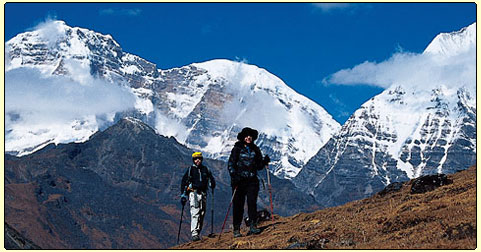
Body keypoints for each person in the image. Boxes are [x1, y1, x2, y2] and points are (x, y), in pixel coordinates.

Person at [228, 127, 270, 237]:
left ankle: (253, 226)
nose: (248, 138)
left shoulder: (255, 150)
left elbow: (259, 165)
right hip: (239, 181)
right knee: (238, 205)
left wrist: (264, 161)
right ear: (243, 137)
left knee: (252, 203)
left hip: (252, 181)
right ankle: (236, 229)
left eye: (250, 136)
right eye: (246, 136)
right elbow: (231, 164)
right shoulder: (237, 149)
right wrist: (234, 175)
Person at [180, 152, 216, 241]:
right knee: (195, 212)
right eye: (196, 159)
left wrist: (212, 183)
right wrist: (183, 195)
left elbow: (211, 179)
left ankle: (197, 232)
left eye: (199, 158)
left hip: (203, 193)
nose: (198, 160)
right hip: (194, 193)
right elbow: (184, 182)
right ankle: (194, 233)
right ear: (193, 160)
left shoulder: (205, 169)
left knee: (202, 213)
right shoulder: (190, 170)